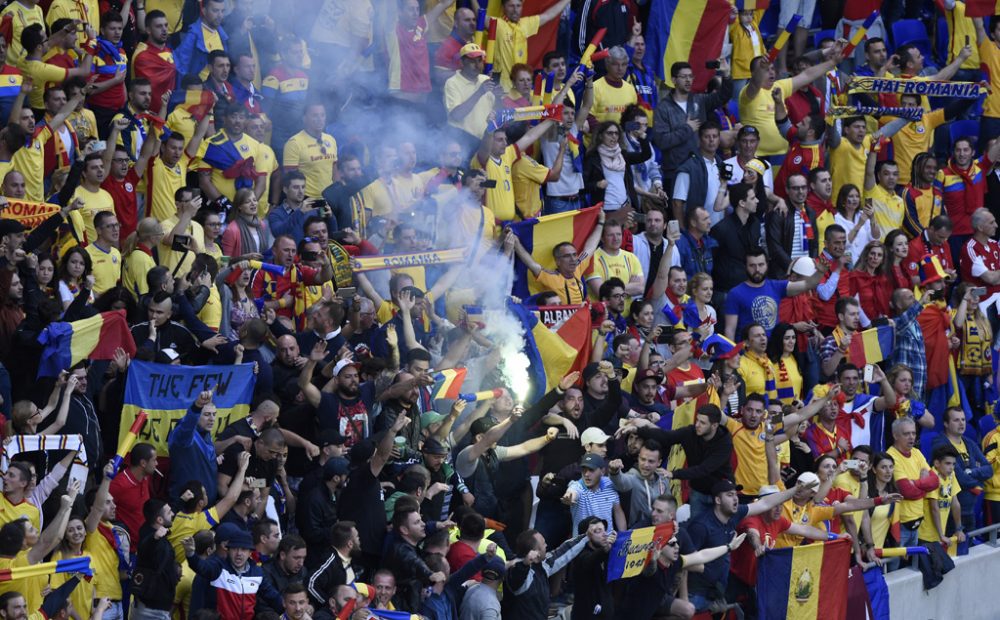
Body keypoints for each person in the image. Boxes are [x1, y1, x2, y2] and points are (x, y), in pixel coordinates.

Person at [685, 478, 815, 612]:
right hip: (697, 592)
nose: (735, 498)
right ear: (718, 500)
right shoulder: (700, 526)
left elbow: (765, 503)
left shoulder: (734, 514)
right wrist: (705, 571)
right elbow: (685, 562)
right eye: (729, 495)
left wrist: (796, 489)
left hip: (718, 589)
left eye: (735, 494)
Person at [653, 60, 733, 192]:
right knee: (677, 211)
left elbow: (723, 97)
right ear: (673, 79)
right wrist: (687, 129)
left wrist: (726, 75)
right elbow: (662, 141)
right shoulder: (663, 108)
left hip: (698, 167)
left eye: (691, 76)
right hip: (675, 171)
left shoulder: (699, 100)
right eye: (684, 77)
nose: (688, 80)